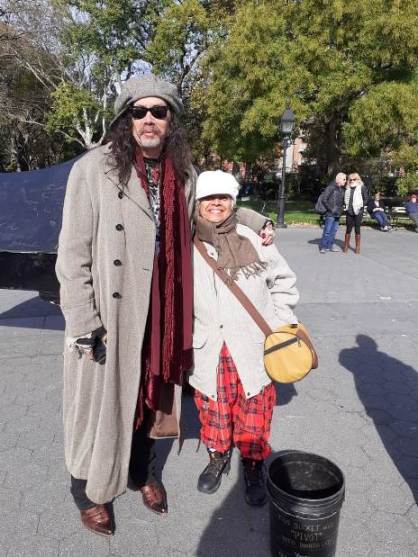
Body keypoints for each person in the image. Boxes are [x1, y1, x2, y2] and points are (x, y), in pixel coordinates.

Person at [56, 74, 273, 536]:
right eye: (139, 112)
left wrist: (256, 220)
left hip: (164, 307)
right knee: (96, 405)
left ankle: (141, 472)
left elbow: (211, 213)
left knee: (150, 392)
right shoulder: (94, 170)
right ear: (126, 119)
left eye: (159, 111)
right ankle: (88, 490)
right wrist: (83, 319)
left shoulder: (184, 174)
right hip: (111, 311)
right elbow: (72, 252)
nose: (149, 119)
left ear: (171, 120)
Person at [189, 170, 299, 507]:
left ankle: (252, 464)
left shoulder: (254, 237)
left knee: (255, 407)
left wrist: (279, 322)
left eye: (222, 197)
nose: (216, 203)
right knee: (214, 407)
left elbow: (283, 280)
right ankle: (218, 455)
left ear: (232, 201)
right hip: (210, 344)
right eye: (208, 198)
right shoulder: (186, 242)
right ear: (198, 203)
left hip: (253, 344)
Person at [319, 172, 347, 253]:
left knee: (334, 231)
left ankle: (330, 245)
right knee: (327, 231)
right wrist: (331, 209)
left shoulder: (342, 189)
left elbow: (342, 201)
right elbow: (324, 199)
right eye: (344, 179)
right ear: (338, 179)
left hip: (338, 213)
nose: (345, 181)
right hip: (330, 213)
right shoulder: (331, 187)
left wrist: (342, 208)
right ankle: (323, 246)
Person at [343, 172, 369, 254]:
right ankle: (346, 246)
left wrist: (360, 206)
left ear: (358, 179)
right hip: (349, 211)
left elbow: (366, 199)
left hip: (358, 211)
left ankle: (357, 247)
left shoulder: (362, 187)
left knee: (357, 229)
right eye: (350, 179)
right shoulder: (347, 188)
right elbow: (345, 199)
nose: (351, 181)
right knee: (348, 229)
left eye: (354, 179)